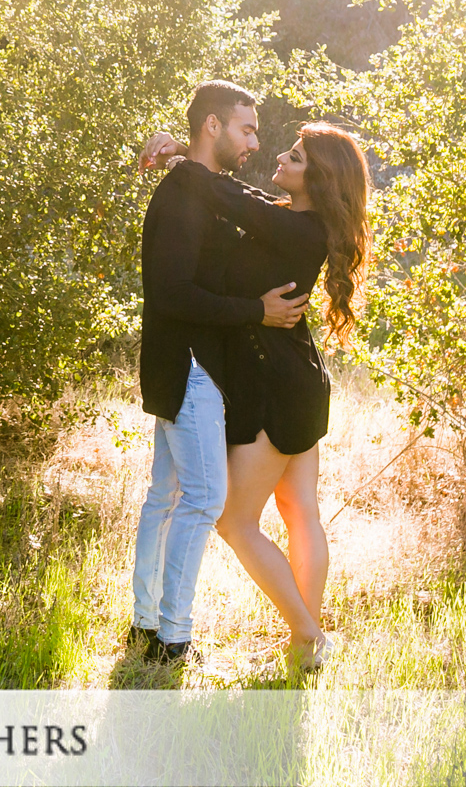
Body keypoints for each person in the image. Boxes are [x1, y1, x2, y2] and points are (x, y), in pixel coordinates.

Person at [143, 122, 371, 671]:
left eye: (294, 156)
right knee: (300, 513)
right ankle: (304, 647)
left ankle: (308, 634)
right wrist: (183, 156)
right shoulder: (292, 219)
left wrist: (185, 156)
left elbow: (229, 197)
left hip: (276, 385)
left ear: (318, 178)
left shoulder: (300, 230)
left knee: (234, 521)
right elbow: (241, 196)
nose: (280, 158)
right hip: (296, 380)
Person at [130, 81, 309, 667]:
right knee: (204, 497)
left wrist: (180, 154)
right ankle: (172, 636)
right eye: (247, 129)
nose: (255, 141)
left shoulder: (198, 189)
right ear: (214, 126)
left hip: (187, 361)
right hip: (188, 365)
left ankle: (147, 621)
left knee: (166, 495)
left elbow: (230, 197)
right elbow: (171, 292)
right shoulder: (183, 197)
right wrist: (255, 310)